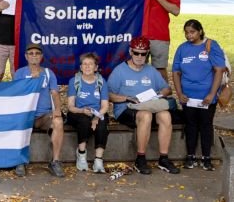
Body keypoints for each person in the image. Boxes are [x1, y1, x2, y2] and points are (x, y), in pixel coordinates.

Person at [108, 36, 180, 175]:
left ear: (147, 54)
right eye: (136, 53)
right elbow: (109, 95)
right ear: (130, 51)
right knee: (145, 116)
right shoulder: (120, 71)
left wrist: (157, 95)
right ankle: (140, 159)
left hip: (149, 105)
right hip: (126, 108)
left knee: (165, 115)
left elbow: (167, 89)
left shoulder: (151, 70)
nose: (140, 56)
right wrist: (127, 98)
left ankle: (163, 158)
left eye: (143, 53)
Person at [172, 20, 225, 171]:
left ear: (200, 31)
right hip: (188, 98)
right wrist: (180, 93)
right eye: (186, 32)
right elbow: (176, 72)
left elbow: (219, 71)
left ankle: (206, 158)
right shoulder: (182, 48)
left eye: (192, 32)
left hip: (207, 97)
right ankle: (190, 157)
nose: (189, 35)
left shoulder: (210, 45)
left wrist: (211, 94)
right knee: (190, 125)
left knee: (206, 125)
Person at [12, 43, 64, 177]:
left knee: (58, 122)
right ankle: (20, 161)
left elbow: (54, 93)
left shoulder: (48, 73)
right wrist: (31, 82)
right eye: (31, 53)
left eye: (37, 53)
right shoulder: (20, 73)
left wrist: (57, 109)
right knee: (19, 124)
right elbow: (16, 94)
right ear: (26, 56)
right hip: (26, 115)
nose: (34, 56)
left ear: (41, 57)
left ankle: (55, 161)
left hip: (44, 115)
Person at [133, 0, 181, 81]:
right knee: (137, 68)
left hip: (159, 35)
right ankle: (140, 98)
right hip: (139, 35)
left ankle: (164, 98)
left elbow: (176, 11)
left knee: (159, 70)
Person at [66, 53, 109, 173]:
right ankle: (81, 155)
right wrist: (82, 111)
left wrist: (96, 118)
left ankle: (98, 160)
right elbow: (70, 106)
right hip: (78, 112)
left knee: (102, 122)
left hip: (97, 112)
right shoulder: (74, 81)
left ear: (96, 67)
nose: (87, 67)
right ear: (81, 67)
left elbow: (105, 106)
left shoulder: (101, 82)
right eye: (84, 64)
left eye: (91, 64)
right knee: (84, 120)